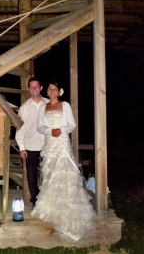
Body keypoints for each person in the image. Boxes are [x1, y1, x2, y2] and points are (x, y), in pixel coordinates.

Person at [31, 80, 96, 242]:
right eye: (49, 89)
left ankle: (68, 207)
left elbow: (72, 124)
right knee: (51, 173)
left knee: (65, 172)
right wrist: (49, 131)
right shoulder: (43, 108)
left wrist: (60, 130)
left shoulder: (65, 105)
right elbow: (39, 126)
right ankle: (53, 209)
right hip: (50, 143)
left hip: (62, 142)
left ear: (59, 91)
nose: (52, 91)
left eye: (54, 89)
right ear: (46, 92)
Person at [15, 77, 49, 207]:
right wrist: (22, 147)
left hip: (48, 145)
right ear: (28, 89)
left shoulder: (48, 104)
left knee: (48, 173)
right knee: (31, 175)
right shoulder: (24, 108)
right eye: (31, 87)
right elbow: (20, 129)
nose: (34, 89)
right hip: (30, 146)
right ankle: (35, 199)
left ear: (41, 88)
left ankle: (47, 199)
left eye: (36, 86)